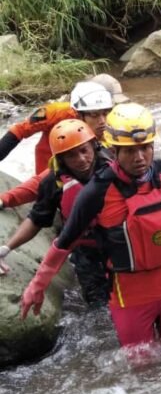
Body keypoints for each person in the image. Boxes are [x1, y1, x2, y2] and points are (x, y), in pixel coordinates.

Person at [19, 103, 161, 355]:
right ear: (114, 150)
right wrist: (36, 287)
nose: (139, 157)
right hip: (131, 294)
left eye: (145, 147)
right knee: (142, 369)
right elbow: (64, 242)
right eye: (129, 151)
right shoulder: (96, 191)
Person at [0, 119, 113, 307]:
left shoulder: (115, 164)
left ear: (94, 145)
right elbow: (36, 219)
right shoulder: (53, 182)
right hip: (85, 248)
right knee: (98, 303)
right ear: (61, 159)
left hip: (120, 242)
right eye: (71, 156)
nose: (81, 159)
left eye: (84, 150)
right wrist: (6, 248)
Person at [0, 80, 114, 175]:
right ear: (78, 113)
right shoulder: (53, 112)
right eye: (94, 115)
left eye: (105, 113)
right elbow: (19, 131)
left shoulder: (112, 122)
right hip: (48, 173)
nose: (102, 121)